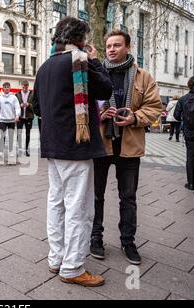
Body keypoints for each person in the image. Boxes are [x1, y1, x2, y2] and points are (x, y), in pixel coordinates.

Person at [34, 17, 113, 287]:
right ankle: (73, 267)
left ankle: (56, 259)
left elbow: (36, 107)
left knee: (56, 203)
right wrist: (93, 59)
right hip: (76, 145)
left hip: (53, 145)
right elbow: (105, 88)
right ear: (81, 39)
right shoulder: (79, 62)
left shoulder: (44, 66)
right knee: (79, 207)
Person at [90, 30, 162, 265]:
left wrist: (135, 117)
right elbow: (83, 106)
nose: (111, 49)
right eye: (109, 45)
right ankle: (95, 238)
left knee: (128, 197)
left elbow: (154, 107)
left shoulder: (144, 77)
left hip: (129, 145)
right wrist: (100, 114)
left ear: (128, 48)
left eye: (117, 45)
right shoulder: (95, 74)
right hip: (101, 144)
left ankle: (128, 241)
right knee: (95, 195)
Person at [174, 76, 194, 190]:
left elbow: (176, 116)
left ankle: (191, 183)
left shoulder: (182, 99)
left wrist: (185, 118)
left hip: (189, 132)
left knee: (190, 157)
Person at [0, 82, 20, 159]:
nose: (6, 88)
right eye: (5, 87)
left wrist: (17, 115)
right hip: (2, 120)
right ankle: (1, 152)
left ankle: (11, 151)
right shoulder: (0, 98)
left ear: (10, 88)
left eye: (8, 87)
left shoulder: (14, 97)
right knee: (2, 136)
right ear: (3, 88)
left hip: (11, 120)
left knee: (11, 136)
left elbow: (17, 107)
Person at [15, 80, 34, 157]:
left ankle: (26, 150)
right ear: (21, 86)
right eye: (23, 87)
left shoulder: (32, 94)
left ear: (28, 86)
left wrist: (29, 105)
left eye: (26, 87)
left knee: (28, 134)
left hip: (29, 117)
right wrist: (20, 105)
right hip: (20, 117)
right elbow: (15, 106)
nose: (24, 89)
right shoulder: (17, 94)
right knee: (19, 134)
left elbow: (35, 105)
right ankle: (19, 150)